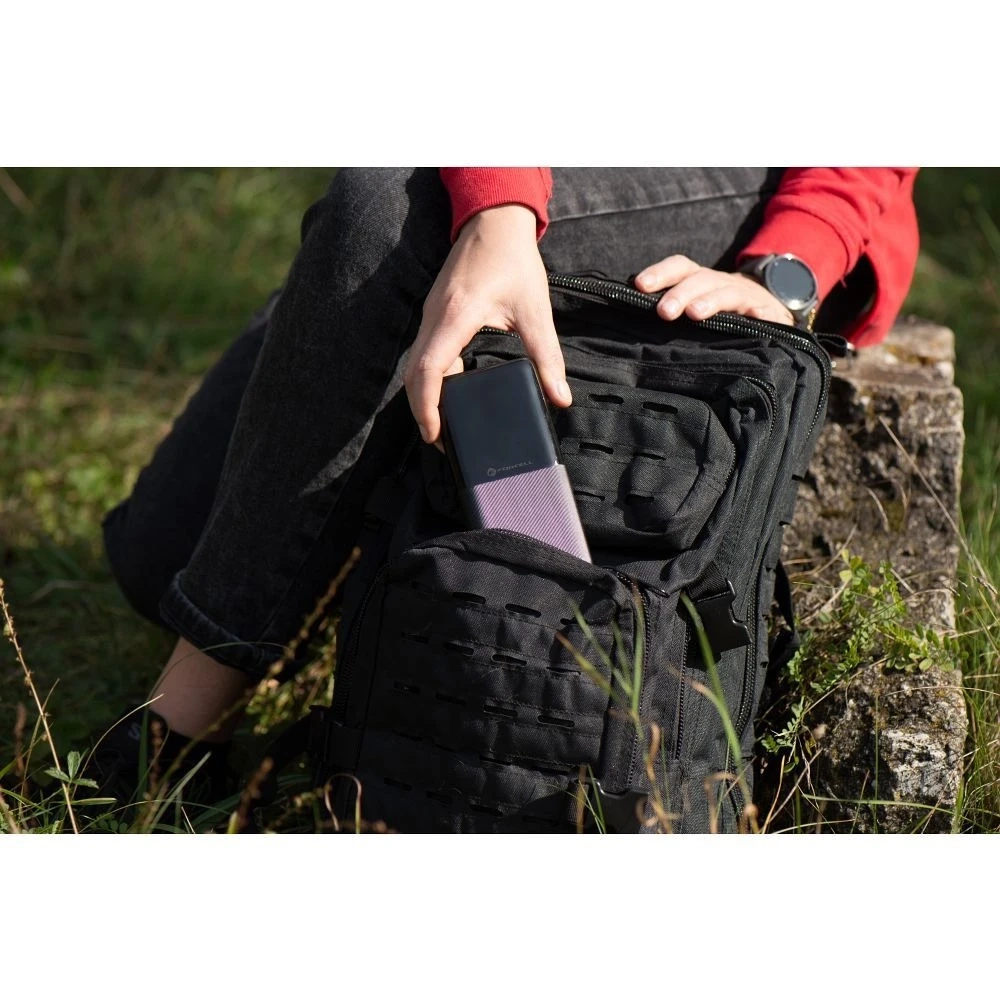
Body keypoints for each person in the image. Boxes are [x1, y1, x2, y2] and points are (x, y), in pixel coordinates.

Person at [88, 167, 920, 814]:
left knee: (389, 211)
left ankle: (177, 737)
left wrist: (790, 264)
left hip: (749, 177)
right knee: (157, 558)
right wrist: (497, 206)